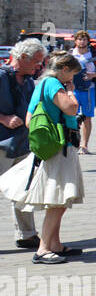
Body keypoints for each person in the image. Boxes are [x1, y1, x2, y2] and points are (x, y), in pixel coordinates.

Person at [0, 53, 84, 264]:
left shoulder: (41, 84)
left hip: (52, 148)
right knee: (57, 201)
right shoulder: (54, 84)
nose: (72, 79)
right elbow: (71, 108)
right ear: (64, 69)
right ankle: (44, 249)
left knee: (59, 201)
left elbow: (29, 120)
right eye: (72, 73)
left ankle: (54, 244)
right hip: (60, 147)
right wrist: (72, 93)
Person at [0, 39, 45, 249]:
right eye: (36, 61)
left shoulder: (28, 81)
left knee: (24, 188)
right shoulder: (1, 76)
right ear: (23, 57)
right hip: (2, 142)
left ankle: (26, 233)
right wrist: (3, 118)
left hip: (22, 142)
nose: (39, 66)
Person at [70, 30, 96, 154]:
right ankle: (72, 144)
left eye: (84, 39)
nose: (82, 41)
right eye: (79, 39)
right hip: (72, 90)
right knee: (71, 117)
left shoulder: (95, 55)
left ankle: (84, 145)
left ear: (88, 41)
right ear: (75, 41)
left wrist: (93, 75)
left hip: (88, 89)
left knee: (87, 118)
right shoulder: (70, 55)